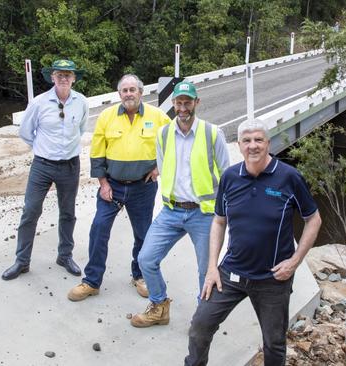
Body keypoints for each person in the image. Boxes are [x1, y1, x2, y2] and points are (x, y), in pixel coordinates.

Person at [185, 119, 322, 366]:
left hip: (273, 279)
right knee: (199, 328)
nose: (253, 146)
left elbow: (313, 219)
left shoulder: (289, 177)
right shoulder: (230, 177)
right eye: (247, 141)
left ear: (268, 143)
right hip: (231, 273)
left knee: (274, 343)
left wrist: (295, 261)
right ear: (239, 145)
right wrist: (212, 267)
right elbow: (219, 221)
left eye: (259, 139)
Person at [130, 82, 230, 328]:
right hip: (172, 211)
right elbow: (163, 168)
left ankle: (202, 318)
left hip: (204, 214)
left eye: (187, 102)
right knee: (146, 259)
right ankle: (159, 306)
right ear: (173, 104)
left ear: (196, 102)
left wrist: (227, 214)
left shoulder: (212, 133)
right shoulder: (163, 134)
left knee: (205, 270)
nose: (183, 108)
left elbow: (228, 176)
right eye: (178, 102)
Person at [67, 74, 171, 301]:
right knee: (99, 228)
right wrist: (103, 183)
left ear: (141, 93)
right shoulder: (107, 116)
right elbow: (97, 153)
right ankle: (91, 281)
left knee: (143, 234)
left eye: (133, 90)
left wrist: (159, 168)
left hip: (143, 188)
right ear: (119, 94)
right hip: (112, 186)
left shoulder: (158, 117)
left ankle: (140, 275)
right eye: (124, 90)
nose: (129, 94)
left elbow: (172, 143)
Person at [2, 59, 89, 280]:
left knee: (68, 213)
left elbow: (81, 129)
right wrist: (43, 148)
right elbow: (25, 132)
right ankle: (22, 261)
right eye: (59, 74)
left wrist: (64, 149)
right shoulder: (39, 103)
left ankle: (65, 255)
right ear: (52, 77)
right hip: (42, 165)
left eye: (67, 75)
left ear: (74, 78)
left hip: (70, 165)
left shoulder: (81, 102)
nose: (63, 78)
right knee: (30, 211)